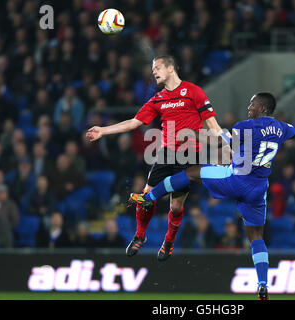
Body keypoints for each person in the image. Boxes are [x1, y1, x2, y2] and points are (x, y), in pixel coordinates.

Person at [129, 92, 295, 300]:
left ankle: (149, 198)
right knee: (256, 236)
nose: (249, 107)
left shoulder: (246, 126)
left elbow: (220, 141)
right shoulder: (281, 128)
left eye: (252, 104)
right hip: (258, 189)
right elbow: (294, 131)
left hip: (236, 180)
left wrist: (193, 135)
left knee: (191, 173)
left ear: (262, 108)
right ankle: (262, 283)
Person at [86, 55, 223, 261]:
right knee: (146, 196)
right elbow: (134, 122)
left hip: (190, 154)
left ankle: (169, 240)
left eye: (157, 67)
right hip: (166, 153)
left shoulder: (193, 91)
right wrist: (103, 131)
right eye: (153, 69)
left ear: (170, 68)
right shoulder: (158, 98)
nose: (154, 72)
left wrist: (225, 149)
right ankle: (140, 235)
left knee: (175, 206)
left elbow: (213, 126)